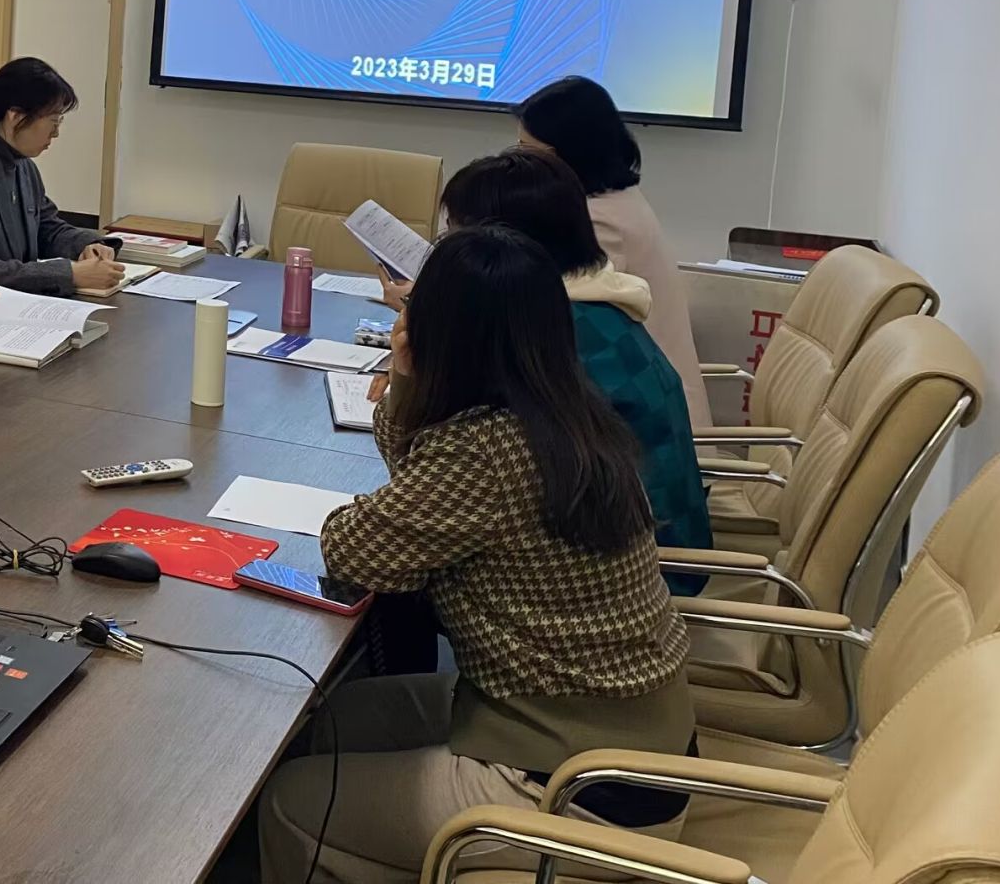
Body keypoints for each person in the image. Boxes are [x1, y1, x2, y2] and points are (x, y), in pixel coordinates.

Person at [259, 227, 694, 884]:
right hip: (625, 740)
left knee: (291, 800)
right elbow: (421, 490)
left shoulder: (483, 450)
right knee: (340, 720)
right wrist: (408, 388)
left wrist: (404, 381)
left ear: (447, 334)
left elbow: (352, 550)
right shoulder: (568, 411)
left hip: (574, 786)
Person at [440, 150, 712, 577]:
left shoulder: (555, 335)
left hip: (630, 573)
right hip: (635, 539)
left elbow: (461, 455)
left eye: (456, 236)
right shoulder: (594, 305)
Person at [518, 75, 708, 424]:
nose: (522, 164)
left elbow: (549, 316)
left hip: (649, 424)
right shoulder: (611, 201)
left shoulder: (601, 222)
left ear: (568, 155)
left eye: (529, 152)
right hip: (631, 398)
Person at [0, 57, 121, 296]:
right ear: (15, 117)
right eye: (53, 120)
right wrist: (70, 274)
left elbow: (47, 228)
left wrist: (90, 245)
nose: (56, 132)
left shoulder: (24, 166)